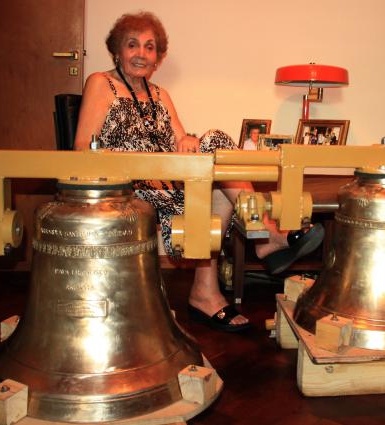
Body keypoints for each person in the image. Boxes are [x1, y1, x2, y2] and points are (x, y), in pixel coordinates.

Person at [74, 12, 323, 332]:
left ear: (158, 58)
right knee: (216, 186)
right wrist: (138, 162)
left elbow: (183, 142)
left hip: (170, 179)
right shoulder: (101, 83)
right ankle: (263, 237)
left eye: (149, 47)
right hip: (127, 183)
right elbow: (83, 146)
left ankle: (218, 281)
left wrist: (188, 141)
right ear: (117, 51)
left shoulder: (160, 95)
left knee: (215, 150)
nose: (141, 53)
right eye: (132, 44)